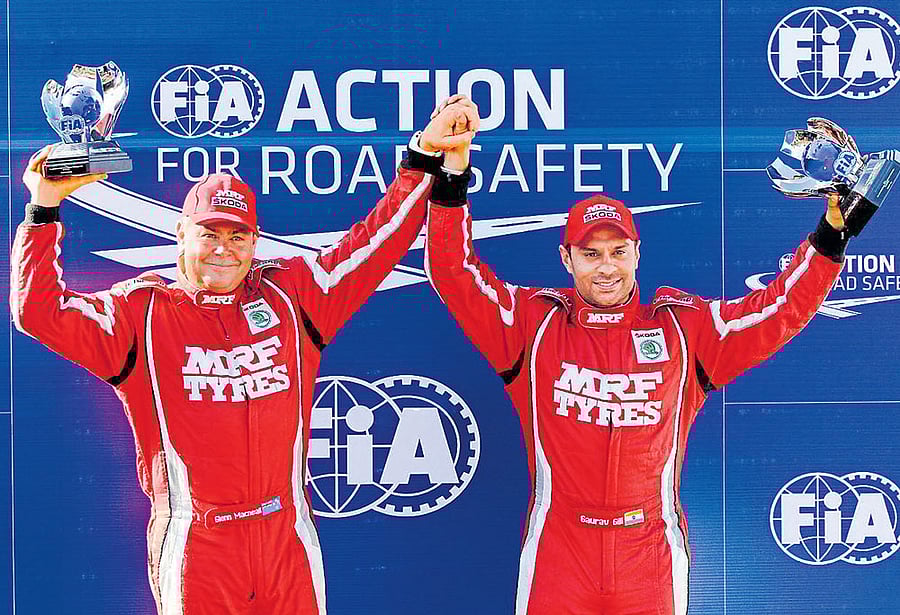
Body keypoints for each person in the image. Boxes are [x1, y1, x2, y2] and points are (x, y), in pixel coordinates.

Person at [11, 98, 478, 615]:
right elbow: (37, 311)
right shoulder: (139, 314)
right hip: (198, 544)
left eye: (238, 236)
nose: (223, 249)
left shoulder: (291, 297)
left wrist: (422, 157)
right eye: (208, 233)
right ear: (180, 235)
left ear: (254, 241)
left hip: (286, 535)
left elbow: (374, 247)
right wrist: (44, 209)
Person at [425, 101, 849, 614]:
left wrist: (830, 235)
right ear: (566, 258)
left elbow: (777, 310)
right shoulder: (531, 325)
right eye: (590, 253)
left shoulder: (681, 327)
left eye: (618, 252)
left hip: (649, 550)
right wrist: (452, 171)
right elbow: (453, 271)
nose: (606, 268)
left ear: (637, 253)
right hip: (560, 548)